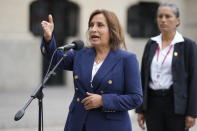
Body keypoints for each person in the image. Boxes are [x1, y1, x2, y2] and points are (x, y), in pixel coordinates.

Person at [41, 9, 143, 131]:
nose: (93, 29)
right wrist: (48, 38)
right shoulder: (80, 54)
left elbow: (136, 98)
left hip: (110, 126)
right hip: (77, 124)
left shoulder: (127, 59)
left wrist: (103, 100)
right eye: (91, 25)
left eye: (100, 25)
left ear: (112, 30)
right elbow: (55, 58)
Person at [136, 2, 197, 131]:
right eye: (160, 16)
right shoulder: (151, 44)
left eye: (168, 16)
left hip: (175, 104)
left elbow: (194, 80)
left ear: (178, 21)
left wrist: (192, 112)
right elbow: (143, 78)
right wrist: (140, 109)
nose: (163, 20)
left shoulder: (188, 46)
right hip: (153, 103)